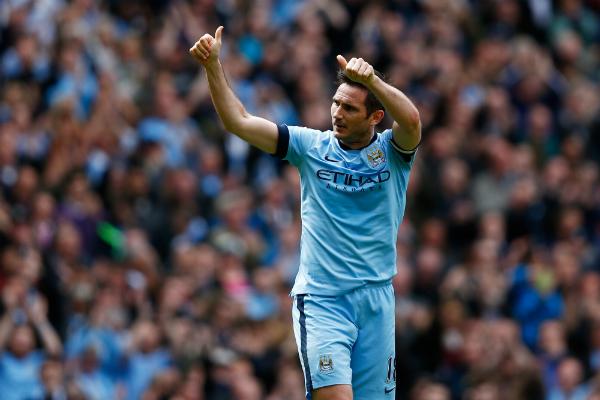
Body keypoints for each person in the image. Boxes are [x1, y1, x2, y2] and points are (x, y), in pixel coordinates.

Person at [189, 26, 421, 400]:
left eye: (349, 108)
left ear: (375, 116)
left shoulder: (393, 154)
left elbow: (411, 121)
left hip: (377, 301)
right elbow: (239, 121)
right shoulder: (310, 147)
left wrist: (373, 81)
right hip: (323, 300)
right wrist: (213, 65)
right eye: (336, 103)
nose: (337, 113)